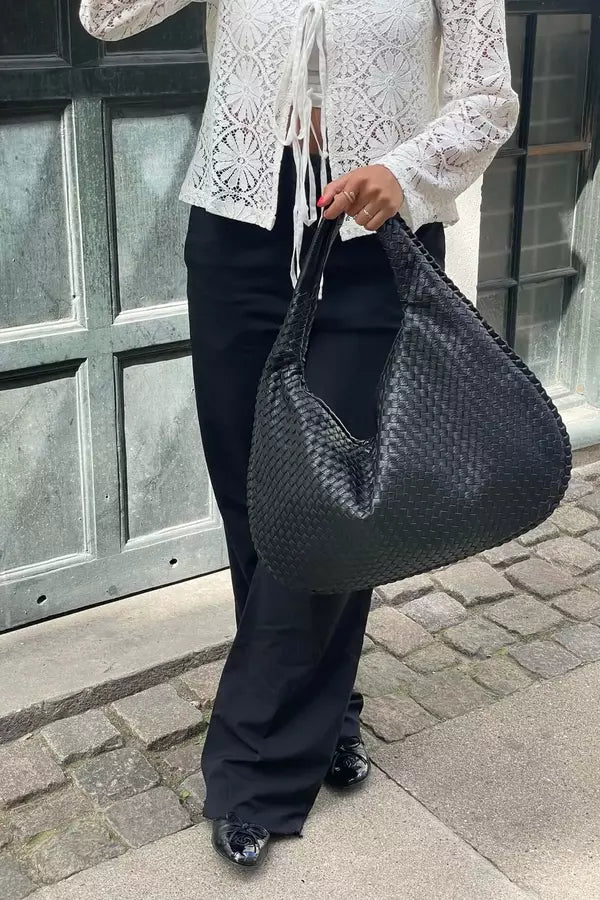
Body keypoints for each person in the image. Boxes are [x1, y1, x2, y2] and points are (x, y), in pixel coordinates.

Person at [80, 0, 519, 870]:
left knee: (328, 504)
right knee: (252, 493)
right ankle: (328, 717)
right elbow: (104, 16)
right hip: (238, 222)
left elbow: (486, 98)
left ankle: (255, 773)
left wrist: (405, 169)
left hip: (372, 231)